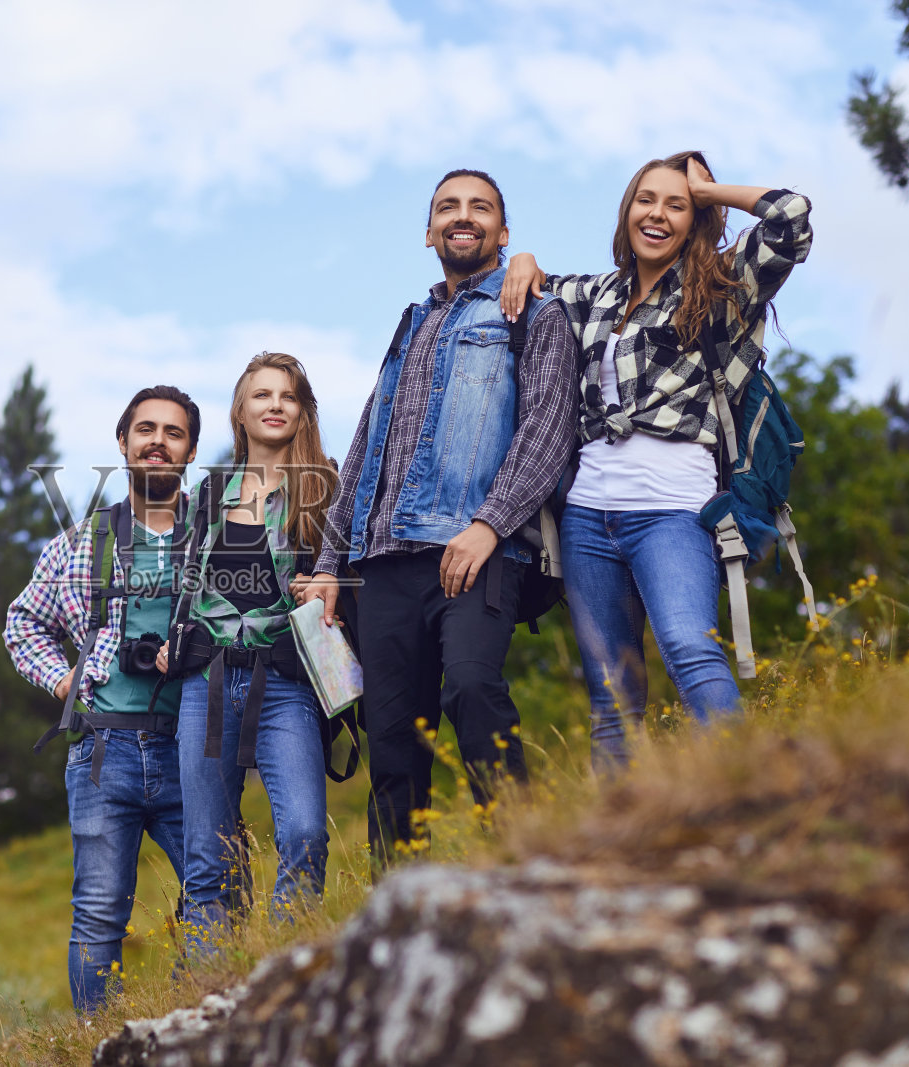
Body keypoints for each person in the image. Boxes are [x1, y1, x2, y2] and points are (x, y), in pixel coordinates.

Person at [295, 168, 578, 867]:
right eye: (448, 207)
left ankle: (523, 862)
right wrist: (330, 565)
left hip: (478, 549)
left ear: (503, 233)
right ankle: (400, 900)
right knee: (393, 739)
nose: (463, 216)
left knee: (475, 689)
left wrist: (488, 524)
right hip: (382, 561)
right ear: (428, 232)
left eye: (480, 207)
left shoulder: (535, 314)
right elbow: (366, 448)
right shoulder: (411, 324)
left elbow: (548, 428)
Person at [499, 151, 813, 771]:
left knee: (690, 654)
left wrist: (709, 189)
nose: (659, 214)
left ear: (696, 218)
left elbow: (790, 218)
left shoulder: (722, 291)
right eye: (647, 199)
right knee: (612, 695)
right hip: (589, 519)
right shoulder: (591, 296)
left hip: (673, 511)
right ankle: (617, 839)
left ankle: (743, 790)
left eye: (677, 205)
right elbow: (527, 289)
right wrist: (523, 258)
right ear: (627, 210)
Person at [3, 385, 200, 1013]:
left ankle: (187, 1016)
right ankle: (104, 1041)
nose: (157, 443)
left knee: (222, 883)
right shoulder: (80, 543)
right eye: (146, 430)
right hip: (101, 751)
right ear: (123, 443)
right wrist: (64, 680)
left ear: (190, 451)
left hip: (192, 747)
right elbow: (22, 622)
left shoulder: (218, 541)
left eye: (173, 433)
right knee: (96, 915)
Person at [157, 352, 339, 948]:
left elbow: (348, 569)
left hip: (287, 681)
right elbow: (187, 585)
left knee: (306, 831)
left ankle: (285, 969)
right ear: (241, 411)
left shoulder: (326, 485)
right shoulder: (209, 493)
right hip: (205, 685)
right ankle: (212, 985)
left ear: (302, 410)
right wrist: (170, 643)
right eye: (261, 395)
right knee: (206, 854)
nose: (275, 405)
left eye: (287, 396)